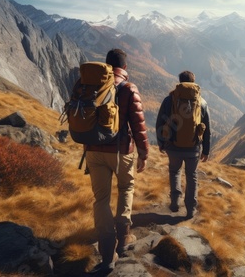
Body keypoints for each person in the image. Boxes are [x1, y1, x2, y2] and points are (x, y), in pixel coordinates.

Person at [85, 48, 149, 274]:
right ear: (125, 67)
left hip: (93, 150)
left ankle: (106, 253)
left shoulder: (92, 84)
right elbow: (139, 126)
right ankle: (123, 239)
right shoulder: (129, 88)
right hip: (120, 151)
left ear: (107, 64)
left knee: (100, 199)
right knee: (126, 188)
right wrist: (143, 153)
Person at [156, 70, 211, 219]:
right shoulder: (201, 102)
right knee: (191, 175)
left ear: (179, 82)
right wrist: (206, 150)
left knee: (175, 172)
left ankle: (175, 202)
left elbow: (160, 122)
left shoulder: (169, 100)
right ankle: (191, 209)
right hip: (193, 147)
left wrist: (161, 142)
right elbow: (207, 128)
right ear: (194, 83)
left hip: (173, 146)